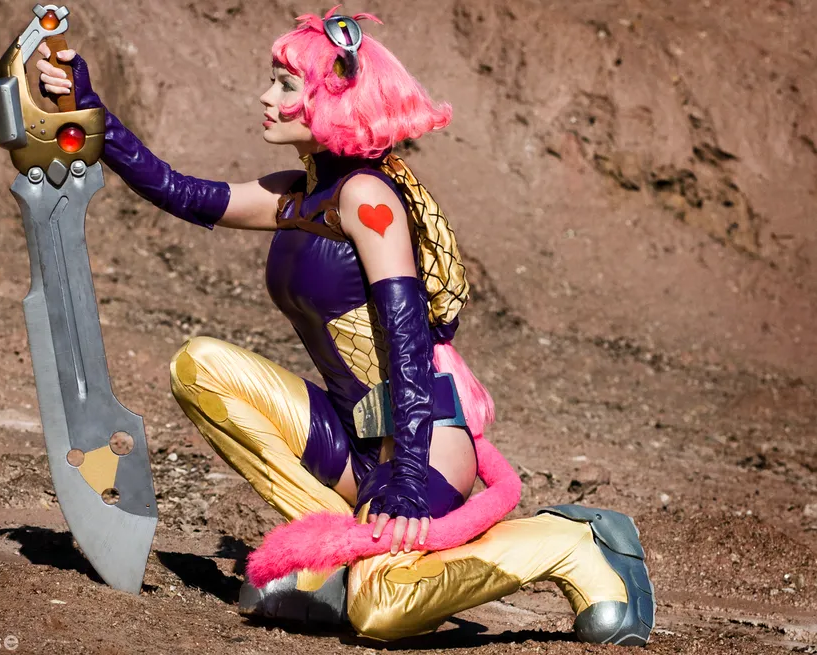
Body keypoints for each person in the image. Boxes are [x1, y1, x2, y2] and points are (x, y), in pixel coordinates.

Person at [35, 6, 654, 646]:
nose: (265, 97)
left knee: (381, 613)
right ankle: (344, 553)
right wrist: (95, 117)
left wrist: (408, 478)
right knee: (200, 368)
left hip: (422, 445)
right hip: (354, 438)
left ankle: (569, 541)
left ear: (331, 103)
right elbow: (183, 193)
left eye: (285, 85)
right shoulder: (296, 195)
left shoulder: (367, 198)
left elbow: (407, 342)